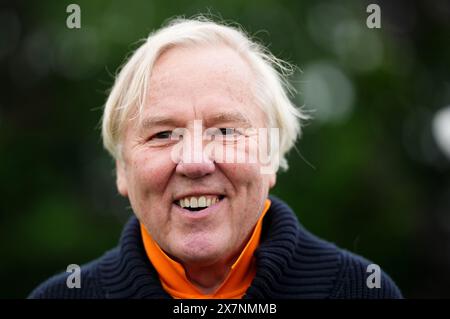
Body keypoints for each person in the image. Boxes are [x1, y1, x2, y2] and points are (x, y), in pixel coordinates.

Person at [29, 16, 402, 299]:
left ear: (270, 156)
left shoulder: (361, 289)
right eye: (163, 134)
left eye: (225, 131)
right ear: (121, 169)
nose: (194, 162)